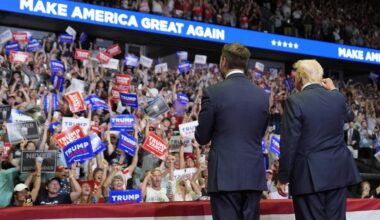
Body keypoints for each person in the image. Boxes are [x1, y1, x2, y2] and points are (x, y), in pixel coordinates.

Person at [277, 59, 361, 220]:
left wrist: (283, 178)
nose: (293, 80)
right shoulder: (336, 97)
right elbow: (350, 116)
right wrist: (335, 90)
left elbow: (289, 143)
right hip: (337, 174)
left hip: (308, 178)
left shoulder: (295, 101)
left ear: (301, 77)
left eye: (295, 76)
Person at [195, 43, 270, 220]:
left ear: (223, 61)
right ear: (245, 64)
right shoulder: (262, 95)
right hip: (252, 175)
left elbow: (202, 137)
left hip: (224, 177)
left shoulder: (213, 93)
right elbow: (260, 132)